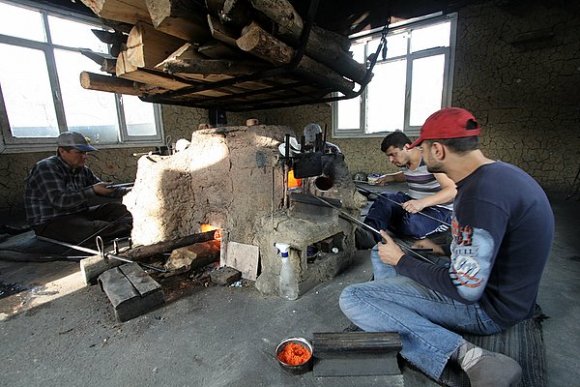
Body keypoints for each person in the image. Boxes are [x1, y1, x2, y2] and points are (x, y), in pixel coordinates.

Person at [340, 107, 554, 386]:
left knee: (354, 297)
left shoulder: (478, 197)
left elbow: (464, 289)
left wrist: (403, 262)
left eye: (424, 149)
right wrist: (447, 248)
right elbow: (492, 242)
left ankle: (471, 357)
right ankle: (397, 306)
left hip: (489, 309)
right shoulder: (501, 175)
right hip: (502, 287)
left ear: (438, 150)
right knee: (380, 253)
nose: (421, 156)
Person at [24, 131, 132, 246]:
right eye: (80, 152)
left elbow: (105, 189)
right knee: (94, 228)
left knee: (118, 209)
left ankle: (128, 226)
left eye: (85, 152)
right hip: (51, 222)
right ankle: (129, 228)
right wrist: (92, 190)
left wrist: (133, 191)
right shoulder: (46, 167)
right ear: (62, 151)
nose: (85, 156)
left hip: (80, 214)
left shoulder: (82, 170)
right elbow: (59, 202)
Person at [363, 131, 456, 242]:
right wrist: (389, 177)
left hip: (439, 209)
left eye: (393, 154)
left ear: (407, 147)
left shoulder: (431, 158)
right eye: (388, 156)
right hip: (413, 201)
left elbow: (452, 190)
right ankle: (368, 234)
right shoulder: (404, 161)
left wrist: (422, 203)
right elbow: (410, 174)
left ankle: (439, 226)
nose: (391, 160)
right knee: (384, 199)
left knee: (412, 225)